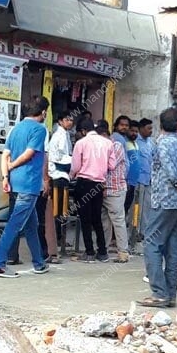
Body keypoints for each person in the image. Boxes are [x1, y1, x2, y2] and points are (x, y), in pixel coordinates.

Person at [139, 107, 177, 308]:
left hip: (163, 201)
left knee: (152, 244)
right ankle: (170, 294)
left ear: (161, 125)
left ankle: (159, 293)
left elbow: (174, 177)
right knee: (174, 249)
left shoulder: (161, 145)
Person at [0, 95, 51, 277]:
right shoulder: (40, 130)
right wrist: (12, 166)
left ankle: (39, 263)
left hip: (16, 183)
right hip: (29, 183)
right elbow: (29, 153)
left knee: (31, 224)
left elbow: (5, 155)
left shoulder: (15, 129)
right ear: (43, 112)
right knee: (14, 225)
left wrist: (6, 176)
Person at [69, 118, 115, 262]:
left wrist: (70, 176)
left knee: (85, 219)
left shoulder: (80, 143)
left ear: (83, 131)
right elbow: (112, 165)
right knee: (97, 219)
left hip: (84, 183)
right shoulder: (108, 143)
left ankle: (89, 252)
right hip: (99, 185)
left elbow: (75, 166)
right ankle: (102, 252)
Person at [98, 123, 130, 263]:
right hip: (102, 189)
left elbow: (106, 165)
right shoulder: (102, 147)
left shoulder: (116, 146)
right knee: (104, 221)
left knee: (118, 220)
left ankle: (123, 252)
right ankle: (103, 249)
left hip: (115, 189)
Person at [48, 110, 74, 254]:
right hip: (58, 175)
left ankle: (59, 237)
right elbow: (58, 157)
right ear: (60, 121)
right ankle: (57, 237)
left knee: (61, 210)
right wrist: (74, 161)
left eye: (71, 119)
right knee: (58, 210)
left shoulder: (65, 134)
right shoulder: (59, 135)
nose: (70, 122)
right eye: (67, 119)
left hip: (63, 174)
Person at [134, 118, 154, 249]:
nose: (151, 131)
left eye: (151, 128)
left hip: (149, 179)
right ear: (141, 129)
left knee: (147, 208)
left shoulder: (151, 143)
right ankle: (135, 232)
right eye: (148, 128)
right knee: (137, 208)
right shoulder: (136, 142)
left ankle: (143, 232)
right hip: (138, 179)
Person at [125, 120, 141, 217]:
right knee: (124, 206)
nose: (134, 133)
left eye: (136, 131)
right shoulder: (124, 143)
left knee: (128, 206)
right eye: (132, 131)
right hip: (127, 181)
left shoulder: (135, 144)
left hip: (134, 182)